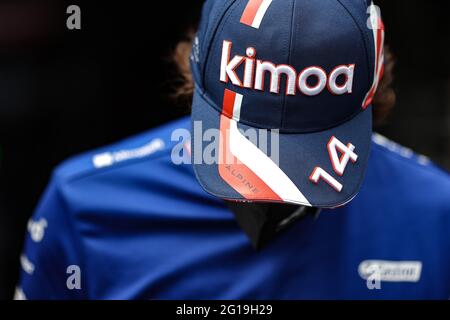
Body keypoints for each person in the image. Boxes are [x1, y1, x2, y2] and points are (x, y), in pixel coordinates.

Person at [16, 0, 450, 299]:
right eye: (248, 142)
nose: (272, 191)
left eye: (306, 148)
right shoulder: (85, 208)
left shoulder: (436, 216)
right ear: (192, 70)